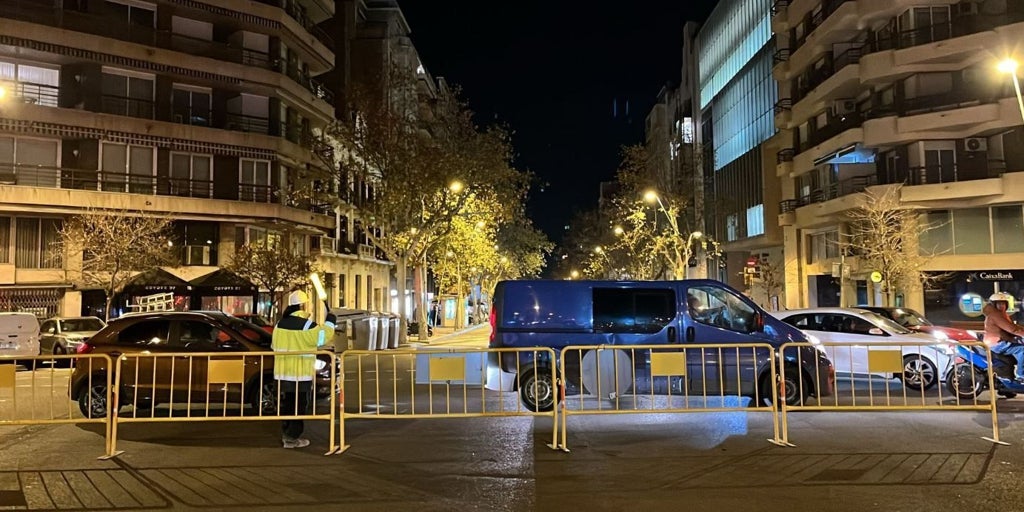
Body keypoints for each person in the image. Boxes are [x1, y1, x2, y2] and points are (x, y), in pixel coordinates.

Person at [272, 290, 336, 449]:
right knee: (299, 406)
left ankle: (287, 435)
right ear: (303, 305)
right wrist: (330, 322)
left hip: (282, 374)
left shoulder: (279, 325)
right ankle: (292, 438)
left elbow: (273, 346)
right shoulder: (307, 325)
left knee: (286, 405)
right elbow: (323, 337)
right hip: (300, 374)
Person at [982, 292, 1024, 383]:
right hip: (998, 344)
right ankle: (1021, 375)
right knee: (1022, 350)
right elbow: (1013, 329)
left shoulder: (1001, 314)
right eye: (999, 303)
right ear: (994, 304)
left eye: (1003, 303)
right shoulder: (996, 315)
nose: (1002, 306)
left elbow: (1014, 327)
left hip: (1002, 341)